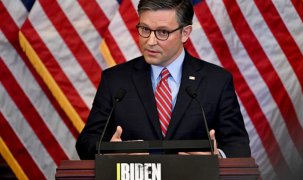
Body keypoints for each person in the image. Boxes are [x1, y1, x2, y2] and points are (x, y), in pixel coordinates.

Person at [76, 0, 251, 160]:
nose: (150, 41)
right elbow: (86, 142)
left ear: (185, 33)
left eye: (162, 32)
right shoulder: (115, 80)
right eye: (145, 29)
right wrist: (108, 151)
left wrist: (217, 157)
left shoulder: (217, 81)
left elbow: (239, 146)